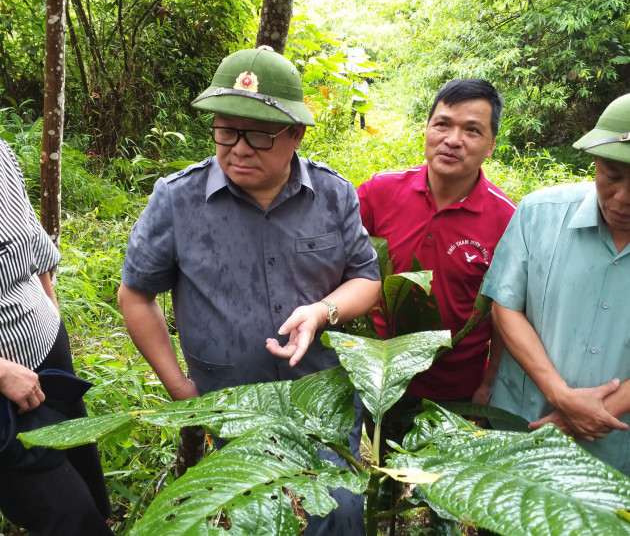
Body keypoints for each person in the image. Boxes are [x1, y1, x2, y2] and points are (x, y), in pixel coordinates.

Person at [118, 46, 382, 534]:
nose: (238, 148)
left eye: (259, 134)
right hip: (232, 402)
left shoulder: (333, 194)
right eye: (226, 129)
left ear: (296, 134)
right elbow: (135, 294)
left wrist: (322, 311)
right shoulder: (178, 200)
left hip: (319, 395)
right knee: (256, 515)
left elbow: (366, 279)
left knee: (339, 510)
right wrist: (179, 387)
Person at [483, 93, 630, 476]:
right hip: (520, 427)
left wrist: (583, 417)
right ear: (595, 161)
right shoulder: (539, 213)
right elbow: (505, 307)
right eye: (612, 175)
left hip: (615, 453)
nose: (623, 197)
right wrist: (561, 396)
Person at [357, 79, 515, 431]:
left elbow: (507, 312)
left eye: (472, 130)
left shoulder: (508, 220)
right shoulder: (379, 192)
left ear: (490, 145)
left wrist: (489, 383)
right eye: (442, 124)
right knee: (383, 476)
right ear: (427, 129)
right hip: (379, 379)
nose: (453, 139)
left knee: (440, 485)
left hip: (454, 392)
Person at [0, 140, 113, 535]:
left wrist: (50, 303)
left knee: (85, 474)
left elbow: (29, 230)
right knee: (68, 513)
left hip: (45, 346)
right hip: (5, 385)